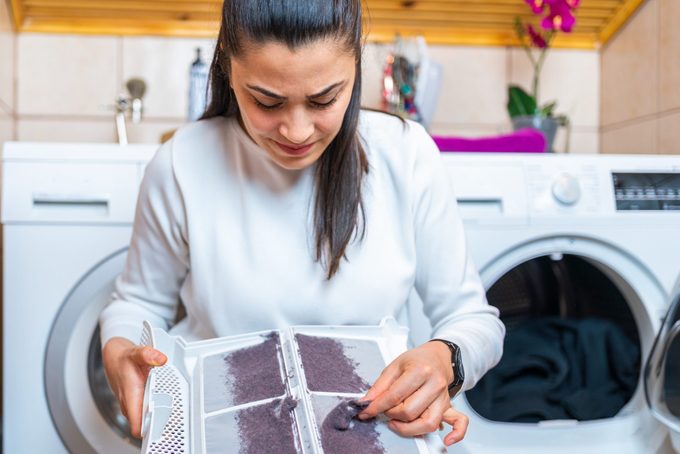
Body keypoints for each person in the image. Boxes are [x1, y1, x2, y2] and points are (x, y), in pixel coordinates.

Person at [99, 0, 505, 448]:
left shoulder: (406, 155)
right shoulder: (182, 161)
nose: (296, 131)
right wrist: (119, 351)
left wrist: (446, 358)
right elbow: (136, 302)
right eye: (266, 101)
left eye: (324, 99)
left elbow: (473, 319)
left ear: (355, 69)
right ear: (228, 70)